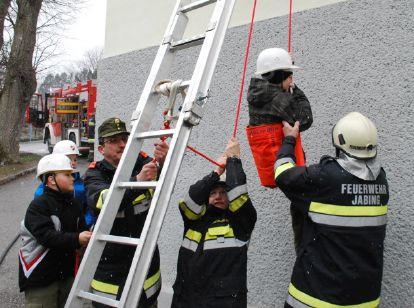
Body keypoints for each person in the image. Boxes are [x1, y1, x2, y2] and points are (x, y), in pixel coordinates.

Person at [275, 112, 389, 307]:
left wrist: (289, 140)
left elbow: (282, 174)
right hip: (365, 300)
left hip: (316, 298)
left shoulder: (326, 177)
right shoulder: (381, 181)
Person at [83, 117, 169, 308]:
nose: (122, 144)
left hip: (146, 264)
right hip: (111, 268)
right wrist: (137, 182)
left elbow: (165, 186)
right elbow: (106, 203)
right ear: (101, 149)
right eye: (113, 141)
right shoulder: (94, 174)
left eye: (124, 138)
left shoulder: (143, 161)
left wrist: (164, 162)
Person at [172, 137, 257, 308]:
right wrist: (216, 172)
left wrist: (233, 160)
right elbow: (192, 197)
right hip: (186, 300)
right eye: (213, 193)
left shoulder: (241, 222)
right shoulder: (195, 219)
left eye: (223, 192)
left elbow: (238, 193)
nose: (218, 196)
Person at [246, 47, 313, 253]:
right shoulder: (278, 98)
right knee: (304, 206)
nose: (291, 80)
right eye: (289, 75)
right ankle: (305, 251)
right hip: (285, 164)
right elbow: (306, 120)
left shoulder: (257, 92)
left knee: (300, 201)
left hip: (271, 166)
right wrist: (297, 93)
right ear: (279, 76)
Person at [19, 153, 92, 307]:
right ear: (51, 179)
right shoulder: (38, 206)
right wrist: (77, 239)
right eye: (67, 175)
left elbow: (81, 227)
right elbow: (47, 237)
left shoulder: (73, 203)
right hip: (41, 279)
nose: (73, 178)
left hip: (66, 273)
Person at [34, 140, 96, 228]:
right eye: (68, 159)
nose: (73, 163)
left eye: (75, 159)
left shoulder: (82, 185)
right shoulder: (41, 192)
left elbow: (89, 207)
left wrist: (84, 224)